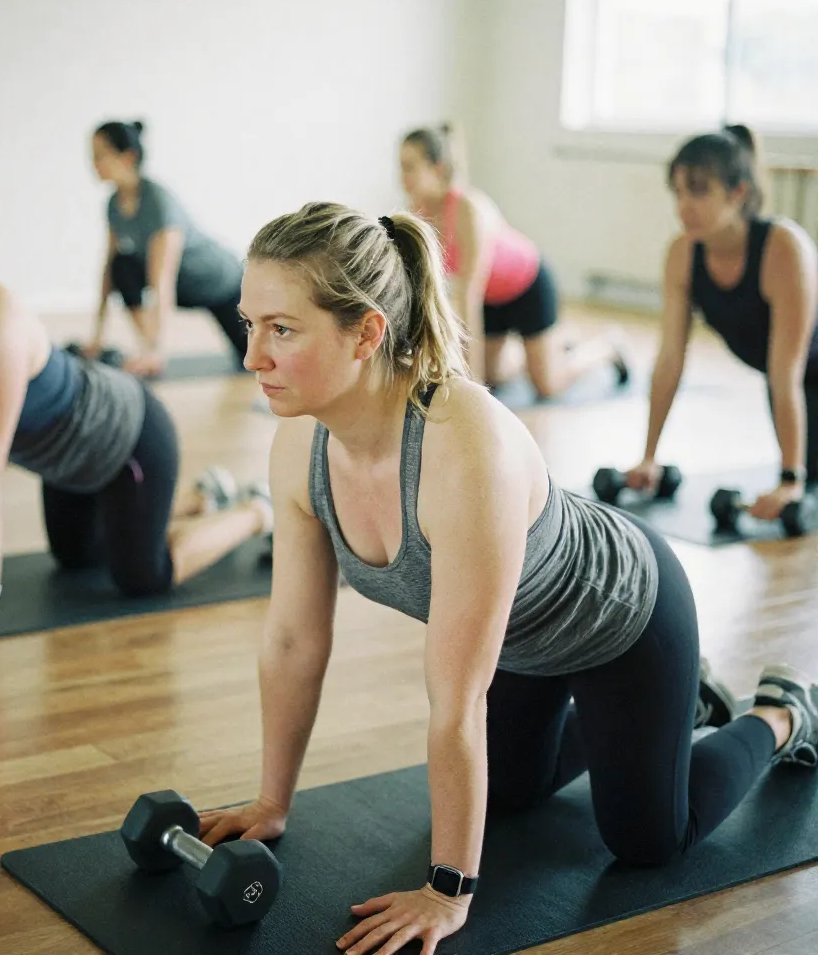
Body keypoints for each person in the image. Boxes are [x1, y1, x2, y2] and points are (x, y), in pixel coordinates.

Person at [197, 201, 818, 955]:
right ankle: (683, 707)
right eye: (250, 324)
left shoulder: (464, 446)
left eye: (282, 329)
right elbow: (295, 639)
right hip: (518, 643)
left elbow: (455, 696)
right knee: (509, 797)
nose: (252, 355)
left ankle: (779, 712)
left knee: (650, 839)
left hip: (621, 619)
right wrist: (271, 802)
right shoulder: (301, 449)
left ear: (365, 331)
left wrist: (448, 891)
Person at [0, 159, 272, 640]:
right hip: (67, 466)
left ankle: (256, 509)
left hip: (127, 438)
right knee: (77, 558)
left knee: (141, 576)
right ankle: (203, 498)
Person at [626, 125, 818, 520]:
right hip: (797, 386)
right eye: (677, 192)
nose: (684, 206)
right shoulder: (682, 254)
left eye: (698, 190)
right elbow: (669, 363)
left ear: (738, 192)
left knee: (807, 479)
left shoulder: (784, 248)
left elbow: (785, 374)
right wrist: (648, 458)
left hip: (794, 379)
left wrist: (789, 481)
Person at [399, 125, 627, 398]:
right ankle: (554, 345)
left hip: (527, 287)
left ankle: (608, 347)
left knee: (547, 385)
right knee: (494, 375)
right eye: (401, 167)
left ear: (436, 168)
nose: (403, 177)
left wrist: (473, 392)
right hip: (493, 299)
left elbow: (468, 296)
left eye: (409, 167)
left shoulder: (467, 208)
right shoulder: (417, 212)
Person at [84, 120, 247, 377]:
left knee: (252, 360)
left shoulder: (159, 202)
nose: (92, 163)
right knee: (122, 267)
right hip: (184, 286)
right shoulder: (113, 205)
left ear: (128, 157)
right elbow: (109, 272)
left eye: (99, 155)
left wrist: (159, 352)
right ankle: (148, 347)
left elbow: (162, 280)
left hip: (222, 283)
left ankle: (152, 350)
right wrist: (96, 338)